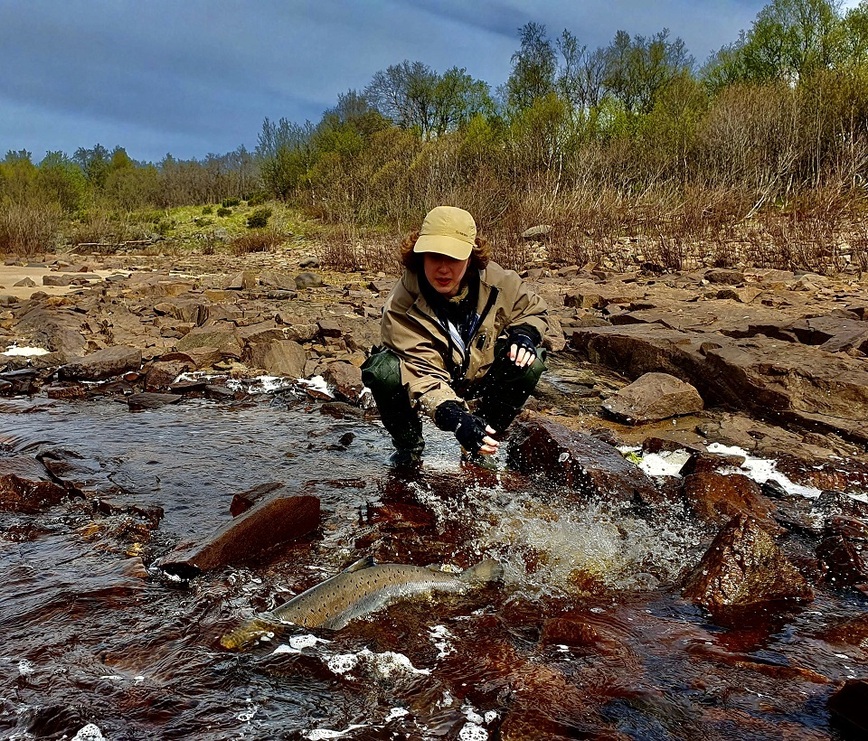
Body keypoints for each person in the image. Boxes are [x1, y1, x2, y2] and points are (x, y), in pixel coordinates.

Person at [361, 205, 549, 467]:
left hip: (479, 371)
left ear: (471, 257)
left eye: (454, 258)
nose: (443, 269)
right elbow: (421, 373)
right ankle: (409, 446)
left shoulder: (498, 281)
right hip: (427, 377)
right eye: (434, 256)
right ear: (420, 256)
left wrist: (524, 334)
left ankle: (481, 439)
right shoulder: (401, 303)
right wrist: (455, 416)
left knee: (531, 361)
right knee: (383, 371)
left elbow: (533, 311)